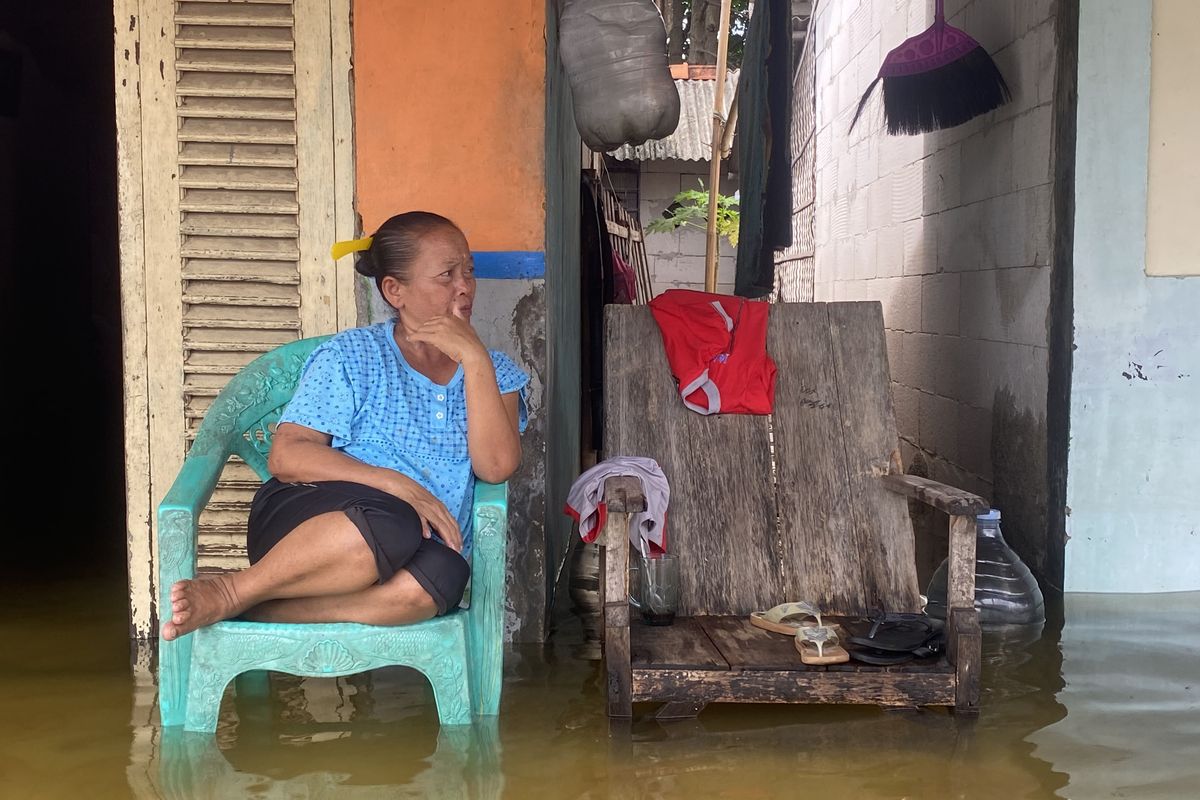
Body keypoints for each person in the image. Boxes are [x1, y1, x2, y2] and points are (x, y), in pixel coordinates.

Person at [160, 211, 529, 641]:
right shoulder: (354, 355)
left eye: (468, 271)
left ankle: (264, 610)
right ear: (395, 291)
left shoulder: (495, 373)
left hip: (411, 550)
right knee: (394, 521)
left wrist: (476, 358)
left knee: (445, 573)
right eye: (446, 275)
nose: (464, 287)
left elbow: (497, 466)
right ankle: (232, 588)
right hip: (312, 530)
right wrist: (394, 484)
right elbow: (288, 454)